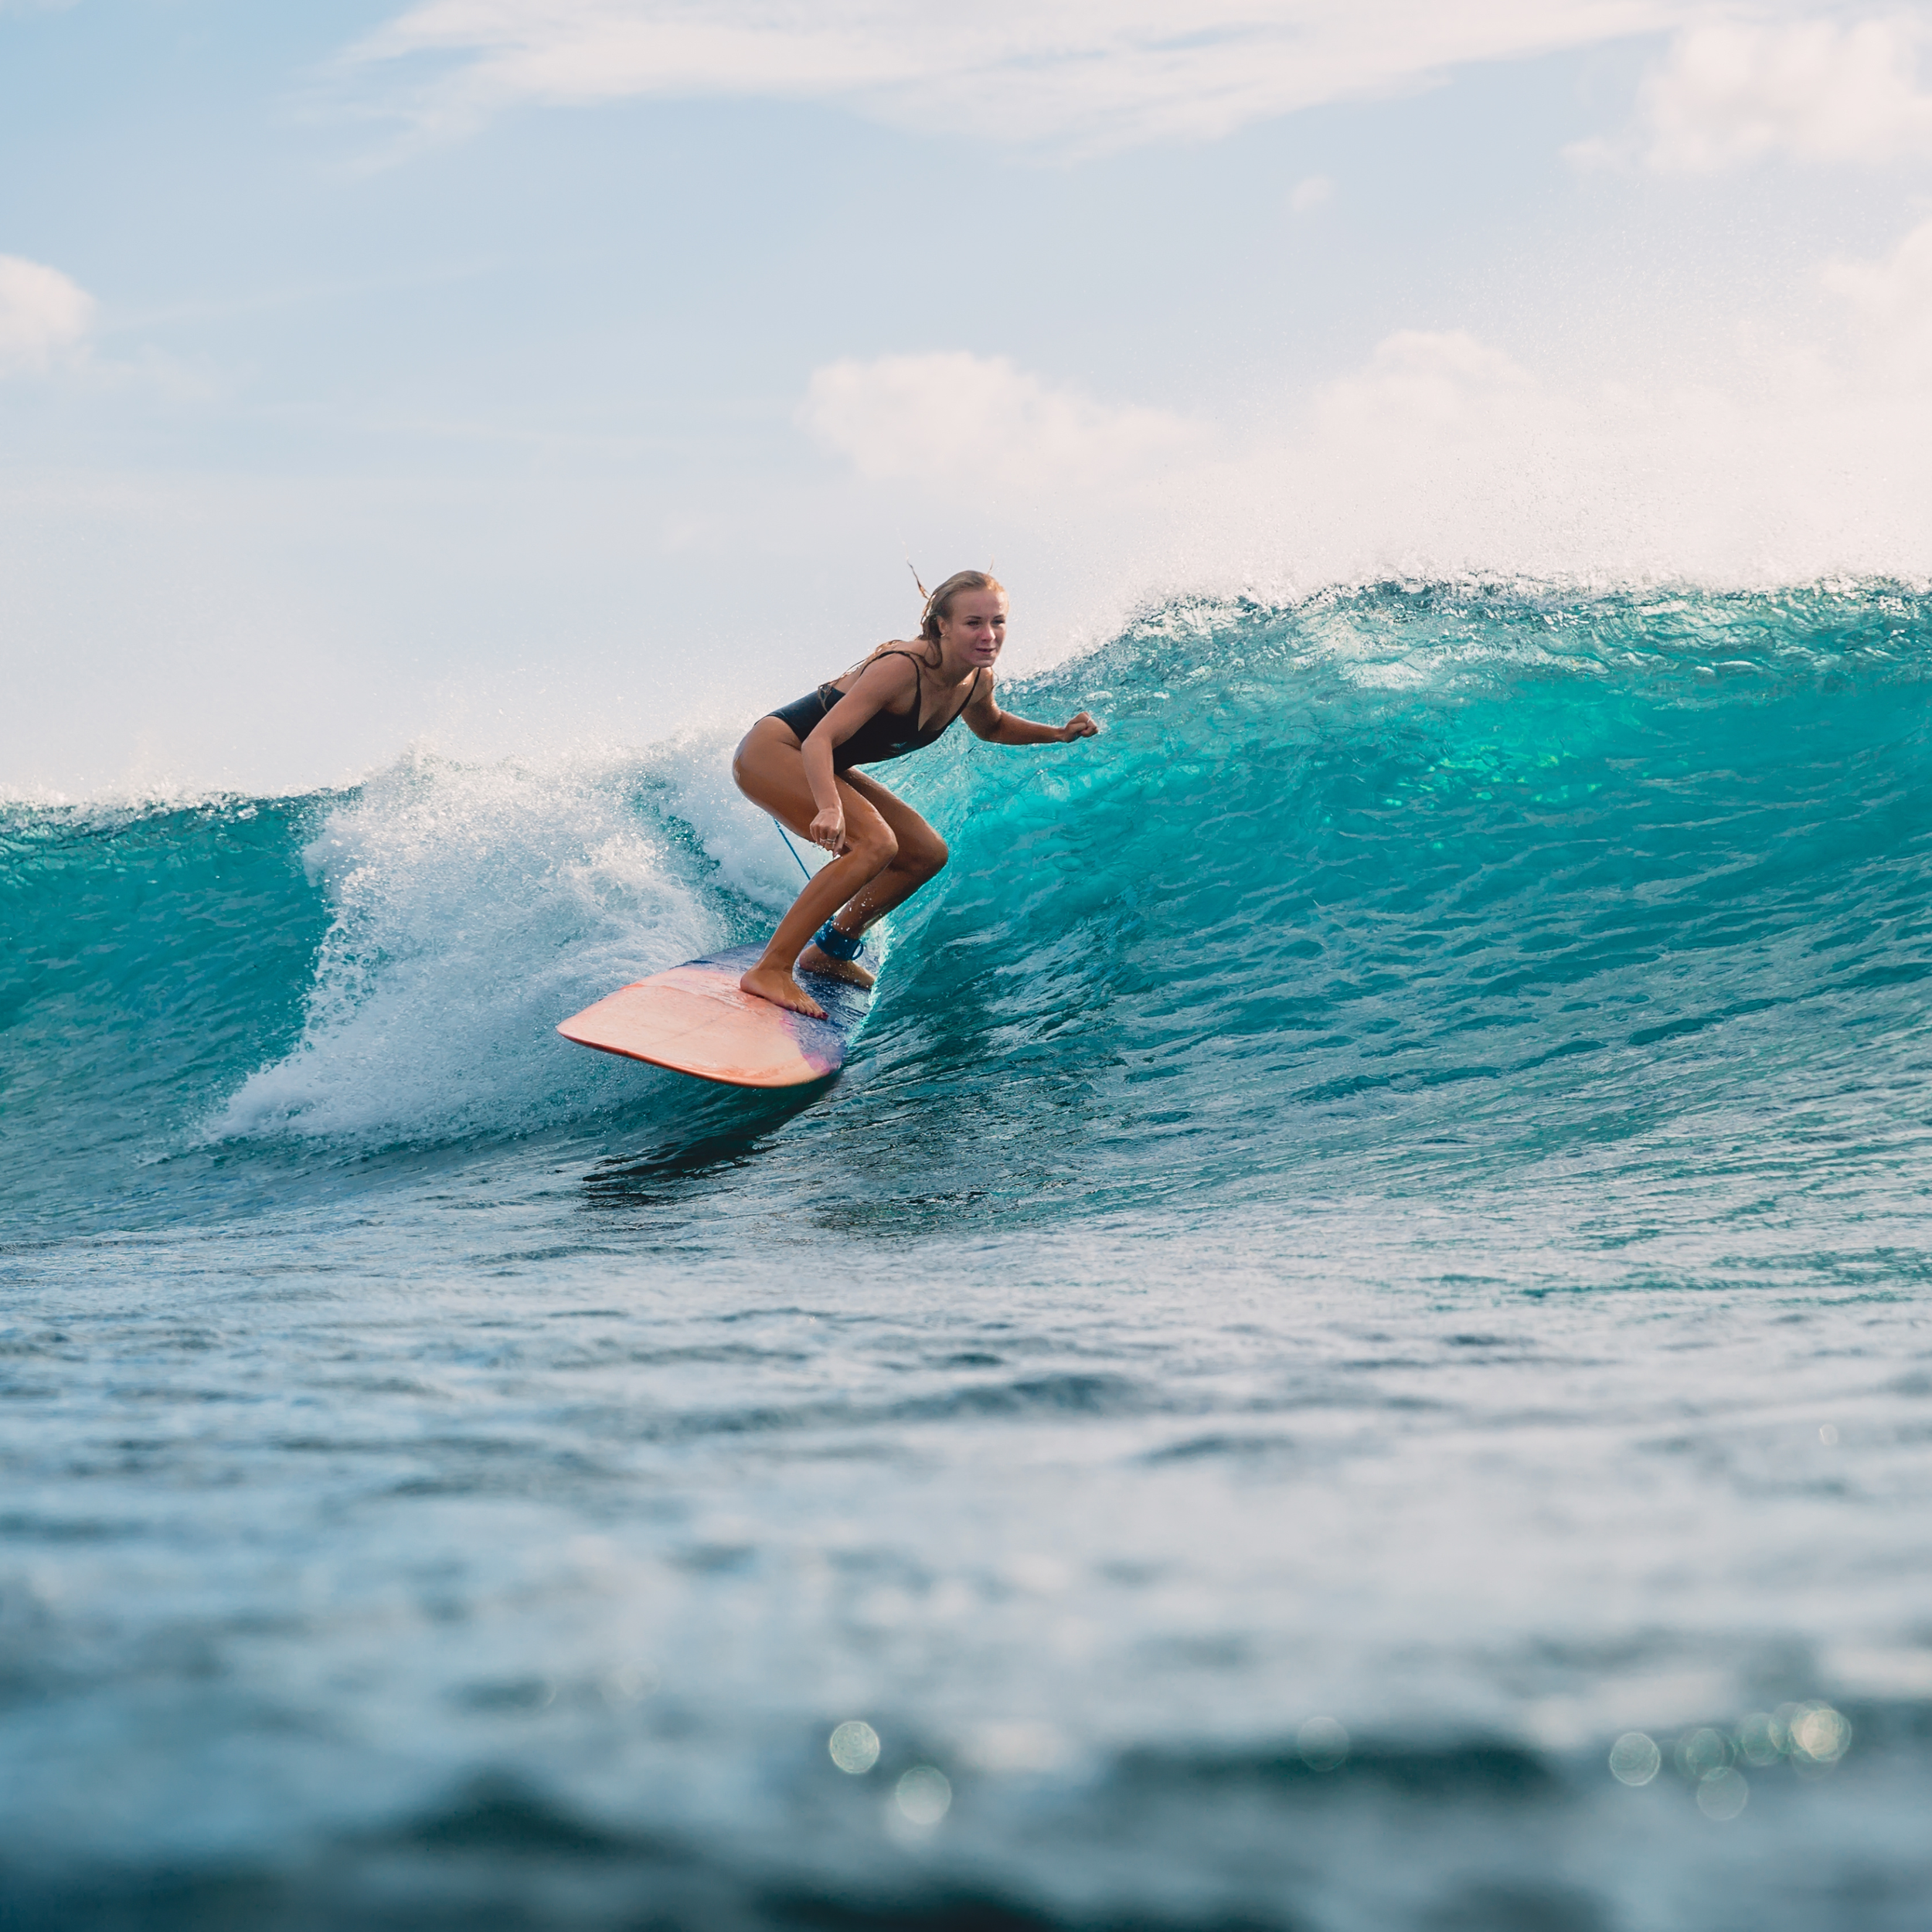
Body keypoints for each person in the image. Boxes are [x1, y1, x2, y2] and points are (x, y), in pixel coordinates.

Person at [731, 570, 1099, 1017]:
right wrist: (830, 806)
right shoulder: (902, 669)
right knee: (876, 844)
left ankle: (831, 948)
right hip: (775, 752)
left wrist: (1058, 734)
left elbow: (993, 726)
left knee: (925, 852)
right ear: (942, 625)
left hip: (821, 761)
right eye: (973, 623)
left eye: (997, 622)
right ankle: (771, 968)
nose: (988, 635)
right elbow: (819, 740)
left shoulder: (977, 681)